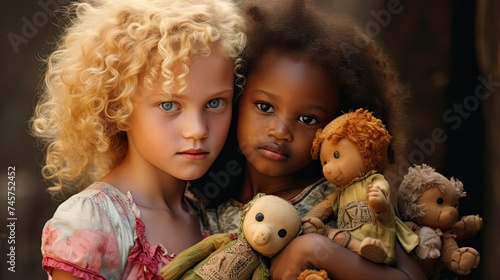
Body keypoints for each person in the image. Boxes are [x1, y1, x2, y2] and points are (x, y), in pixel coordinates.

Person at [189, 0, 426, 279]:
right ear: (237, 99)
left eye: (307, 119)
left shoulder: (346, 197)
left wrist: (311, 248)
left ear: (336, 128)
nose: (280, 131)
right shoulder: (203, 198)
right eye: (265, 107)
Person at [30, 0, 246, 278]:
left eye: (216, 103)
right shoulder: (93, 224)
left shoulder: (218, 216)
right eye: (169, 105)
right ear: (119, 106)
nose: (197, 129)